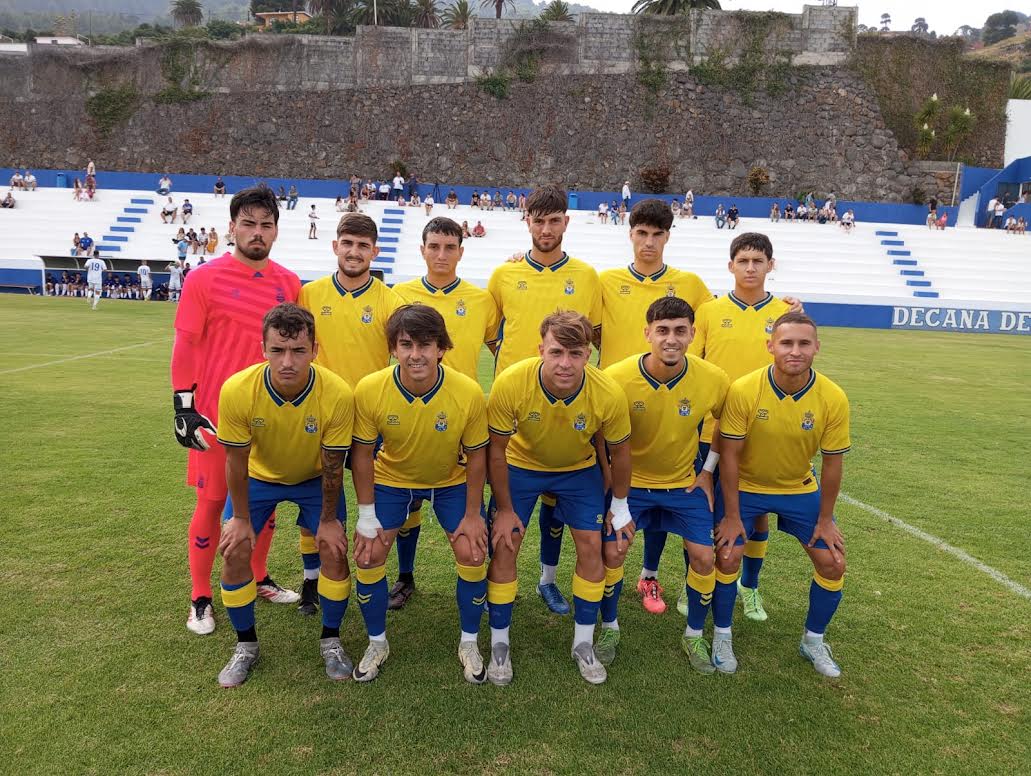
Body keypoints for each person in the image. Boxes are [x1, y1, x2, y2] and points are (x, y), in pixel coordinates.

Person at [171, 187, 303, 636]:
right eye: (248, 223)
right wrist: (183, 405)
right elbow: (186, 343)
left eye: (266, 225)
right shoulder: (202, 279)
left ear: (276, 231)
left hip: (270, 417)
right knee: (212, 504)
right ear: (232, 227)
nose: (257, 232)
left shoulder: (289, 284)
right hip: (215, 416)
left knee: (264, 502)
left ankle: (259, 575)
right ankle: (200, 596)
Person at [485, 311, 632, 685]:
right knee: (505, 545)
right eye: (556, 352)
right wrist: (504, 509)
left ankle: (583, 643)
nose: (565, 363)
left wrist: (620, 506)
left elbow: (621, 453)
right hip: (521, 465)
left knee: (592, 547)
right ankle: (499, 643)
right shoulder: (512, 382)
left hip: (578, 470)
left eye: (575, 353)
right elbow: (495, 450)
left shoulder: (608, 392)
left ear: (588, 355)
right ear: (541, 350)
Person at [215, 303, 355, 687]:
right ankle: (246, 645)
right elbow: (236, 461)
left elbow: (333, 465)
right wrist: (239, 518)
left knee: (334, 549)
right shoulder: (238, 389)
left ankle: (331, 639)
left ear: (315, 350)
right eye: (277, 350)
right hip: (259, 479)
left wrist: (329, 521)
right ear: (263, 349)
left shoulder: (337, 393)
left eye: (298, 351)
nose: (287, 362)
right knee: (235, 549)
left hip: (314, 479)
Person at [349, 305, 490, 683]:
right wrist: (366, 515)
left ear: (441, 348)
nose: (416, 354)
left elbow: (477, 456)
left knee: (473, 551)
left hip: (449, 481)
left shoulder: (467, 392)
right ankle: (377, 643)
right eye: (406, 344)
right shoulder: (370, 389)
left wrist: (473, 515)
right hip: (392, 479)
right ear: (393, 348)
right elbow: (361, 455)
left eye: (425, 344)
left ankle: (469, 642)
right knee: (368, 554)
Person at [486, 186, 603, 616]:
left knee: (557, 500)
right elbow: (490, 332)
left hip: (568, 404)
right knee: (505, 503)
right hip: (516, 405)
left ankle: (547, 580)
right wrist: (513, 370)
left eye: (554, 220)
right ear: (527, 222)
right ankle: (499, 583)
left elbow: (598, 334)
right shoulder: (504, 274)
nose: (546, 228)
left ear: (566, 222)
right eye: (539, 220)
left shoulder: (587, 276)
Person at [716, 311, 850, 677]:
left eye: (804, 343)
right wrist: (731, 516)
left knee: (833, 563)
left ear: (817, 347)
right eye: (786, 343)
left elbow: (832, 463)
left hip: (798, 488)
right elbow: (729, 455)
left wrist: (826, 519)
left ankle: (813, 641)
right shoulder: (745, 389)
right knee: (727, 556)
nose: (795, 351)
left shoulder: (832, 397)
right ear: (770, 346)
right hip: (746, 487)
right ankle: (722, 636)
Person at [604, 296, 730, 669]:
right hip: (632, 487)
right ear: (647, 334)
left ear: (692, 334)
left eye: (679, 331)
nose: (671, 339)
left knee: (705, 557)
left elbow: (726, 423)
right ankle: (609, 628)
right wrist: (610, 483)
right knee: (613, 552)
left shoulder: (713, 378)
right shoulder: (617, 377)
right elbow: (598, 431)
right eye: (662, 330)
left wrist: (708, 471)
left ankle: (694, 635)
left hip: (684, 485)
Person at [389, 218, 500, 609]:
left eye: (449, 247)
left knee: (472, 499)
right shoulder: (399, 295)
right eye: (433, 246)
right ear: (422, 249)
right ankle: (405, 577)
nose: (441, 254)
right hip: (409, 415)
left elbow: (500, 349)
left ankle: (482, 578)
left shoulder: (481, 300)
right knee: (408, 499)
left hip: (463, 419)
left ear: (461, 252)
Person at [296, 212, 403, 616]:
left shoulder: (390, 301)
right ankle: (311, 579)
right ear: (335, 246)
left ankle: (379, 575)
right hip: (320, 416)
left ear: (375, 251)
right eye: (347, 243)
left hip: (370, 419)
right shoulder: (310, 294)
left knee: (374, 501)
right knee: (315, 502)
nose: (354, 251)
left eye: (363, 245)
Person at [688, 232, 793, 625]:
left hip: (765, 430)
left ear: (770, 265)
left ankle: (749, 586)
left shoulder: (785, 313)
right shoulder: (709, 311)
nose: (751, 268)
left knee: (757, 510)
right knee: (704, 508)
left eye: (758, 261)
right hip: (710, 429)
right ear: (730, 265)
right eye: (743, 261)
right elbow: (693, 366)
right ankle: (694, 581)